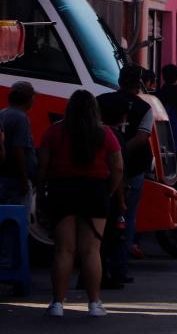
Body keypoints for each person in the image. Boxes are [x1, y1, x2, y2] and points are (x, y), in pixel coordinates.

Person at [37, 90, 123, 318]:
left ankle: (57, 303)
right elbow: (118, 166)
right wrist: (109, 190)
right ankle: (94, 303)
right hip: (94, 191)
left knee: (64, 250)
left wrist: (43, 189)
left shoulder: (54, 132)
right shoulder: (105, 133)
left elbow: (43, 165)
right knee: (91, 250)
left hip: (62, 189)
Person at [97, 65, 153, 284]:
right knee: (126, 221)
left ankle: (96, 266)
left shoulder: (101, 100)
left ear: (119, 80)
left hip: (101, 169)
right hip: (133, 169)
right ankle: (119, 268)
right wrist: (119, 152)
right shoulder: (144, 108)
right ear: (138, 83)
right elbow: (141, 138)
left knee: (100, 219)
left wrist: (109, 153)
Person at [97, 94, 130, 290]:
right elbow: (118, 169)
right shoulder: (114, 136)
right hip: (107, 191)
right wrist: (119, 197)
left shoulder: (91, 132)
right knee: (110, 237)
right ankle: (106, 274)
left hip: (90, 188)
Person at [0, 81, 37, 211]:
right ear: (28, 99)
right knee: (19, 220)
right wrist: (24, 179)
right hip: (15, 180)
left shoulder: (3, 113)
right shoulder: (21, 118)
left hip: (4, 177)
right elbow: (19, 149)